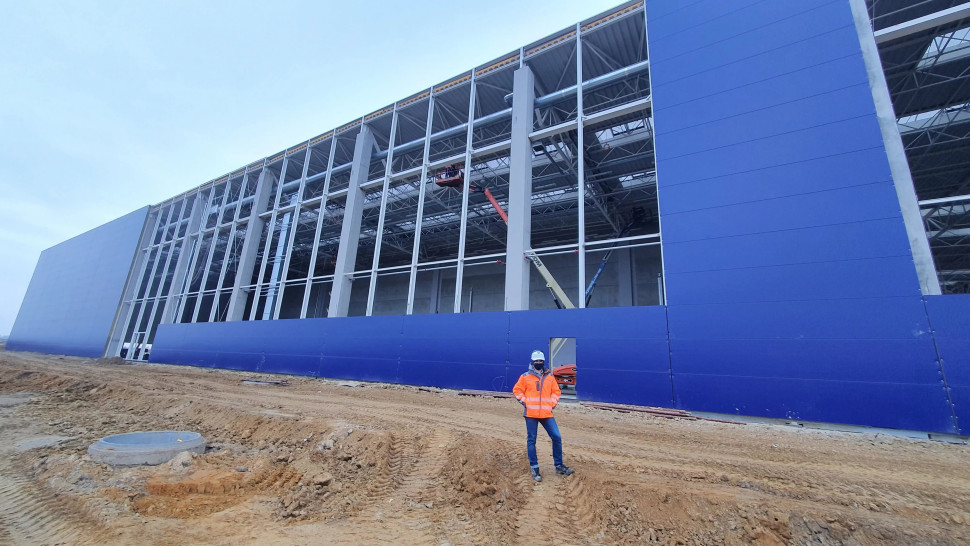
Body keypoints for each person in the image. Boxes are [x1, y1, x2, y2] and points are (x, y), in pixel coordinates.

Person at [512, 349, 574, 482]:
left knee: (556, 437)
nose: (538, 363)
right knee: (531, 441)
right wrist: (525, 402)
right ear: (532, 362)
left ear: (543, 362)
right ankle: (534, 468)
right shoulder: (525, 377)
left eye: (540, 361)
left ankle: (559, 466)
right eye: (536, 361)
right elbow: (517, 390)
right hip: (531, 414)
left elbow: (556, 391)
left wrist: (551, 403)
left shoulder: (550, 377)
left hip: (546, 413)